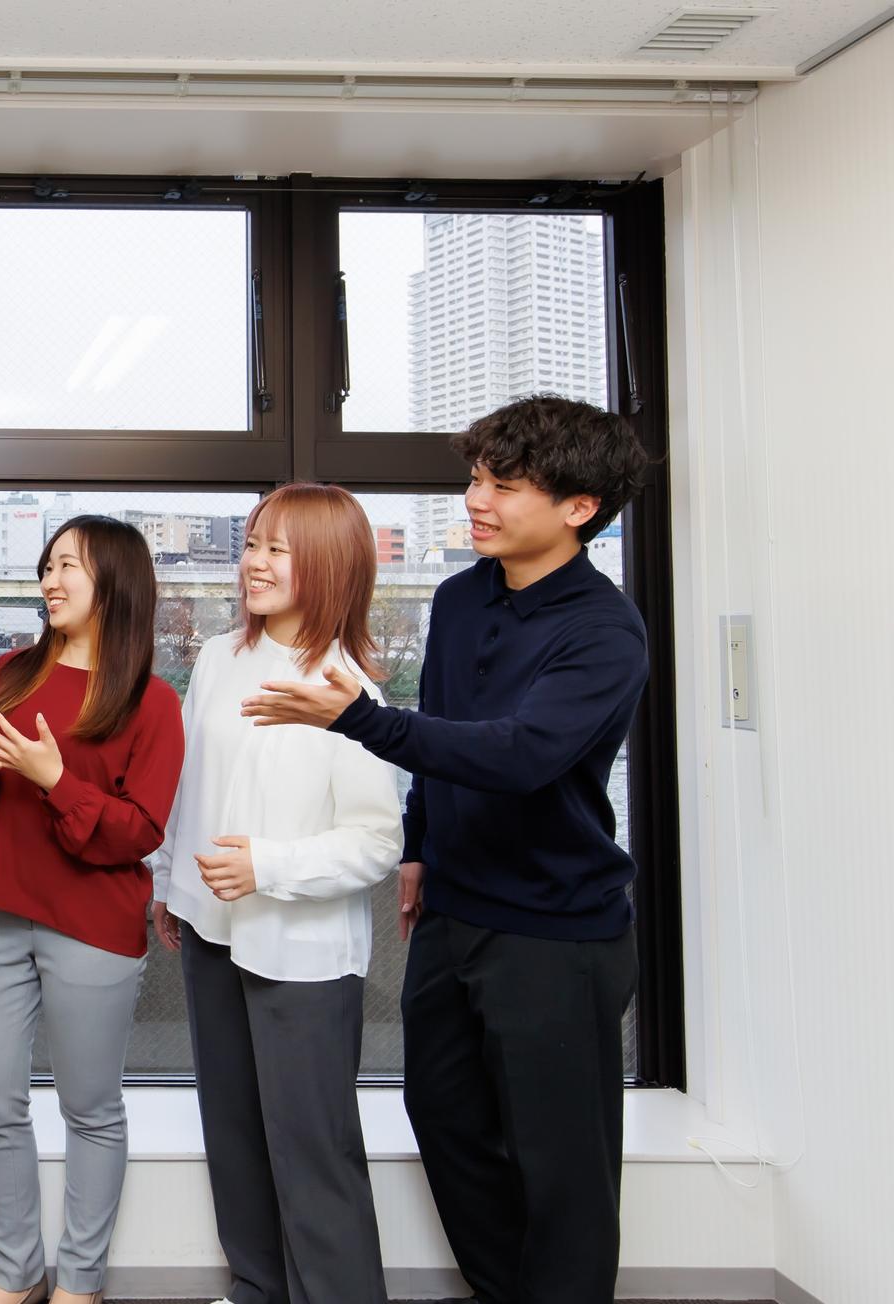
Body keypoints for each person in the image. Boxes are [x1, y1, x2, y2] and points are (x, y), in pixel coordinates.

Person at [243, 395, 652, 1304]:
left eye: (503, 485)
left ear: (579, 507)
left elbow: (519, 755)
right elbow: (447, 727)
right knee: (445, 1117)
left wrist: (360, 719)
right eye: (475, 478)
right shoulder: (462, 596)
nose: (476, 499)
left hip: (556, 932)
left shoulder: (604, 631)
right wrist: (420, 846)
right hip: (454, 909)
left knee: (562, 1165)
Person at [149, 484, 402, 1304]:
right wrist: (170, 882)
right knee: (234, 1134)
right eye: (252, 544)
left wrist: (270, 866)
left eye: (277, 550)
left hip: (302, 954)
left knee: (311, 1150)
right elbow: (191, 783)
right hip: (210, 933)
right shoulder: (219, 658)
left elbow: (378, 842)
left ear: (327, 565)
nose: (253, 563)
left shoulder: (347, 688)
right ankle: (257, 1288)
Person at [0, 515, 185, 1304]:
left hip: (93, 926)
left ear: (114, 580)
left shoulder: (153, 703)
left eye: (68, 566)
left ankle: (80, 1282)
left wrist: (53, 780)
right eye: (47, 566)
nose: (50, 580)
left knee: (90, 1109)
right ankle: (16, 1276)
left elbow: (139, 831)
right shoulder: (13, 671)